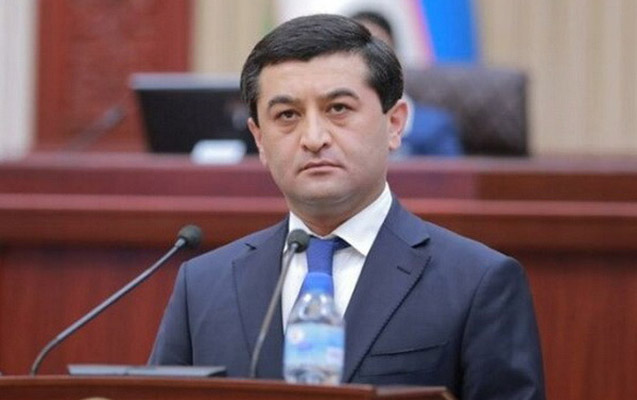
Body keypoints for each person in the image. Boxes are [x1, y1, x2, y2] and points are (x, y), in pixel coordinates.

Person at [149, 14, 544, 399]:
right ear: (260, 140)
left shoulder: (478, 282)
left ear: (395, 124)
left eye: (338, 108)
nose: (313, 138)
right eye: (287, 115)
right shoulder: (202, 286)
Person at [351, 10, 463, 157]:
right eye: (354, 52)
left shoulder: (434, 128)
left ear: (397, 59)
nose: (366, 64)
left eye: (375, 53)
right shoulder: (331, 129)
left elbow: (450, 172)